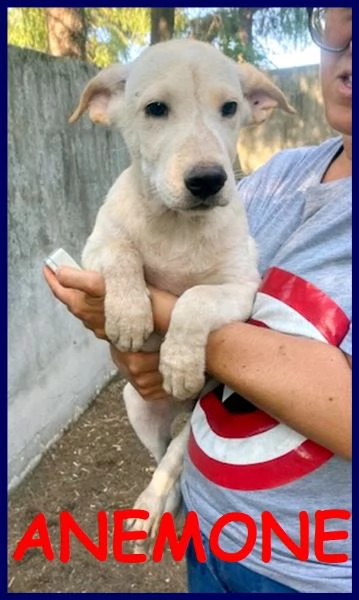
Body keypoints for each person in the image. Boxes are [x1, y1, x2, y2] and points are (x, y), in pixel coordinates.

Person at [44, 7, 352, 593]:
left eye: (226, 108)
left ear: (255, 107)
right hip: (210, 534)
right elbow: (113, 277)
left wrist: (170, 319)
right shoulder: (280, 175)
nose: (208, 162)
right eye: (156, 109)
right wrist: (129, 340)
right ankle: (171, 472)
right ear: (107, 105)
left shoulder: (232, 193)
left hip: (310, 570)